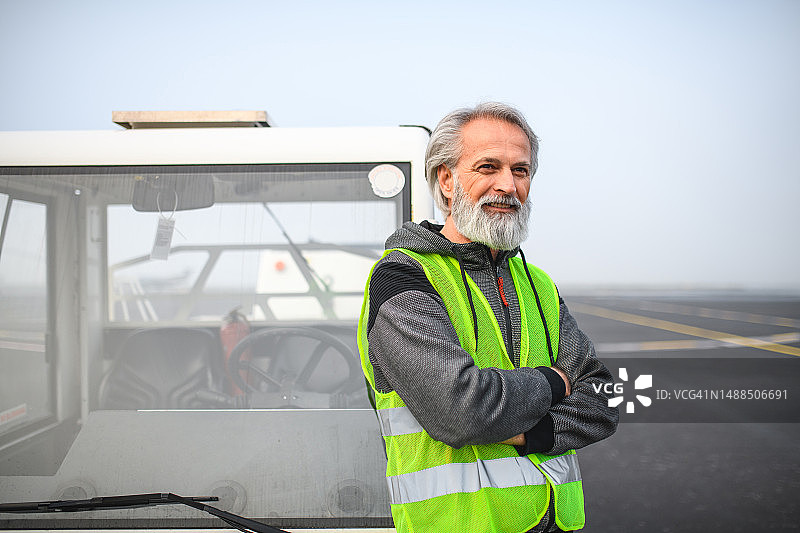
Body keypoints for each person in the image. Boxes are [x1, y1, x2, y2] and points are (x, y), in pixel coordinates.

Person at [357, 102, 619, 533]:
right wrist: (555, 382)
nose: (508, 185)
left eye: (521, 170)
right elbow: (462, 413)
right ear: (446, 180)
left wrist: (529, 434)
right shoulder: (404, 277)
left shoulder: (538, 284)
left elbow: (605, 400)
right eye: (488, 167)